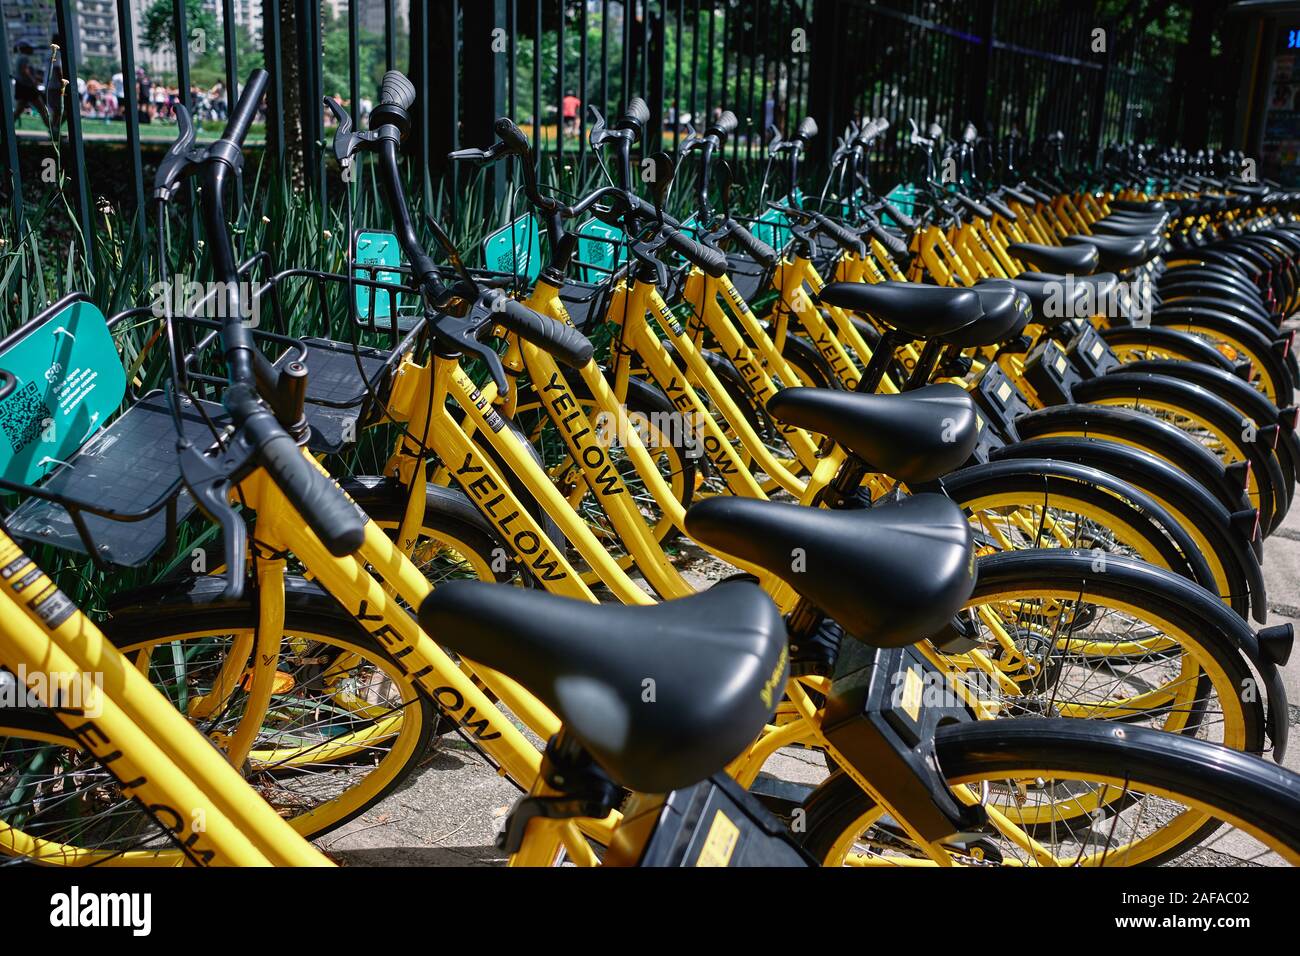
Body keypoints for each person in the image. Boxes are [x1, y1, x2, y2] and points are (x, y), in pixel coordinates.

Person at [12, 41, 49, 126]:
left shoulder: (19, 57)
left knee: (18, 111)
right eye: (30, 48)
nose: (32, 50)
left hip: (21, 87)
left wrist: (37, 78)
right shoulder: (25, 58)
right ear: (25, 49)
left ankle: (6, 128)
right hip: (27, 87)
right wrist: (34, 81)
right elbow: (25, 71)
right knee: (42, 109)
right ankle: (53, 131)